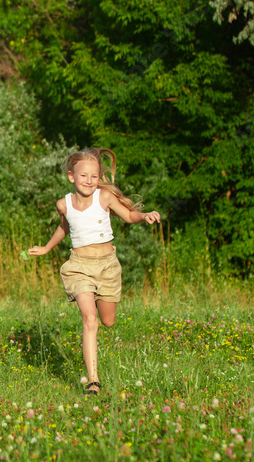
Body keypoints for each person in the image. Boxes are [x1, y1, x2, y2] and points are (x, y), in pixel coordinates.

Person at [28, 148, 160, 396]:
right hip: (79, 267)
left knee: (107, 321)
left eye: (93, 176)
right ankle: (93, 380)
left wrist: (145, 216)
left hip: (107, 267)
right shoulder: (63, 204)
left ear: (98, 177)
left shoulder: (105, 197)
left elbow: (130, 215)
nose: (88, 180)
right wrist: (46, 248)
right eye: (82, 176)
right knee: (90, 319)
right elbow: (64, 228)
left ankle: (102, 303)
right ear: (71, 176)